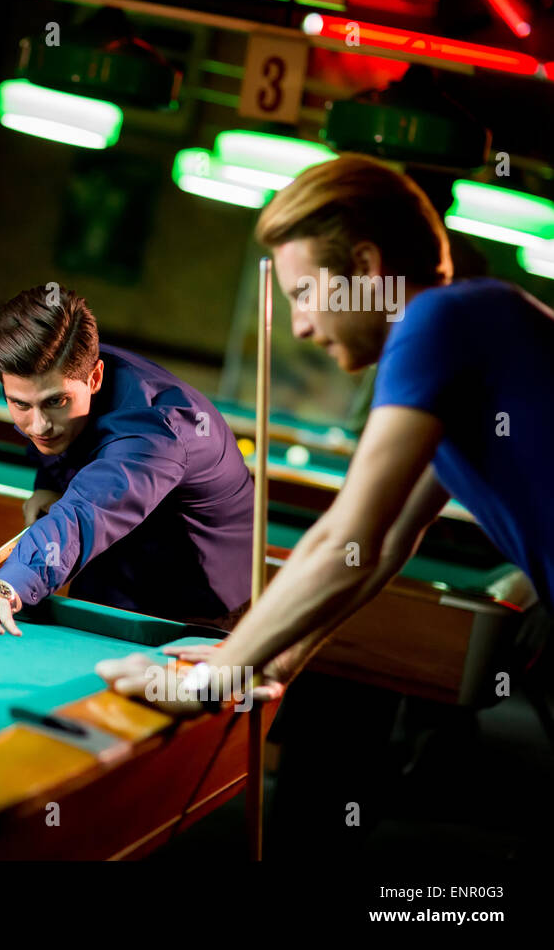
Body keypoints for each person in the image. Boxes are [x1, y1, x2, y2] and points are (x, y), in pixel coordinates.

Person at [100, 154, 554, 712]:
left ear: (365, 267)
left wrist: (210, 679)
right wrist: (267, 663)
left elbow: (344, 541)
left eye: (304, 294)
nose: (301, 325)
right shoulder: (465, 323)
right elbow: (379, 546)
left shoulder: (437, 321)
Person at [0, 286, 254, 634]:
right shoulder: (60, 372)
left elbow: (82, 516)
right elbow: (54, 444)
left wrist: (5, 585)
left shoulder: (153, 431)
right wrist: (49, 483)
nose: (38, 424)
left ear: (95, 378)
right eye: (21, 405)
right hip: (109, 580)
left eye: (55, 402)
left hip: (194, 611)